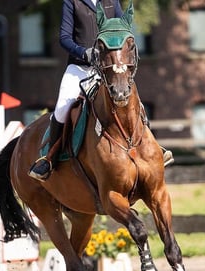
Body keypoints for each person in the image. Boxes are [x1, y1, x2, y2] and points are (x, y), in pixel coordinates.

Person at [29, 0, 172, 182]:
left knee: (134, 103)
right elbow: (64, 38)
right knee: (61, 109)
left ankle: (154, 149)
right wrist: (83, 52)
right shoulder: (72, 2)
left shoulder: (111, 1)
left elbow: (123, 28)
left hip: (109, 67)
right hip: (80, 68)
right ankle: (48, 159)